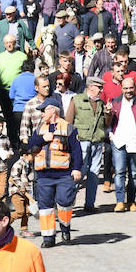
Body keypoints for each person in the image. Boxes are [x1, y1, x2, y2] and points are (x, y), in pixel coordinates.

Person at [27, 96, 83, 248]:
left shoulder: (68, 128)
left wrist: (77, 168)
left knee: (64, 202)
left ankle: (65, 227)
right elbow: (29, 146)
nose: (41, 114)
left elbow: (77, 151)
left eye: (43, 111)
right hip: (44, 175)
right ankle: (48, 238)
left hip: (64, 174)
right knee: (45, 208)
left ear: (53, 111)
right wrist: (42, 139)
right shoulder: (39, 128)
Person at [106, 77, 136, 212]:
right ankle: (120, 201)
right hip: (119, 141)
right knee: (119, 172)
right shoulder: (115, 102)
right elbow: (108, 121)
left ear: (134, 88)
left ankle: (131, 201)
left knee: (133, 173)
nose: (128, 91)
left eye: (131, 88)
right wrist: (110, 134)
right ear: (122, 89)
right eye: (126, 88)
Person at [67, 77, 107, 213]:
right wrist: (69, 142)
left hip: (97, 140)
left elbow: (106, 123)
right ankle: (68, 201)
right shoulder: (77, 100)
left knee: (94, 174)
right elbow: (69, 121)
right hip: (81, 141)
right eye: (99, 88)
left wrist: (108, 113)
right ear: (91, 87)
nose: (101, 91)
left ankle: (89, 204)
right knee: (79, 171)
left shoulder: (101, 103)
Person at [9, 150, 36, 238]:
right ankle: (3, 224)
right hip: (17, 191)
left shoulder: (29, 164)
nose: (34, 157)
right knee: (20, 212)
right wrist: (21, 186)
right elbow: (14, 176)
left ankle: (24, 229)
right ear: (26, 155)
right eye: (33, 155)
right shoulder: (19, 164)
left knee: (27, 212)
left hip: (26, 192)